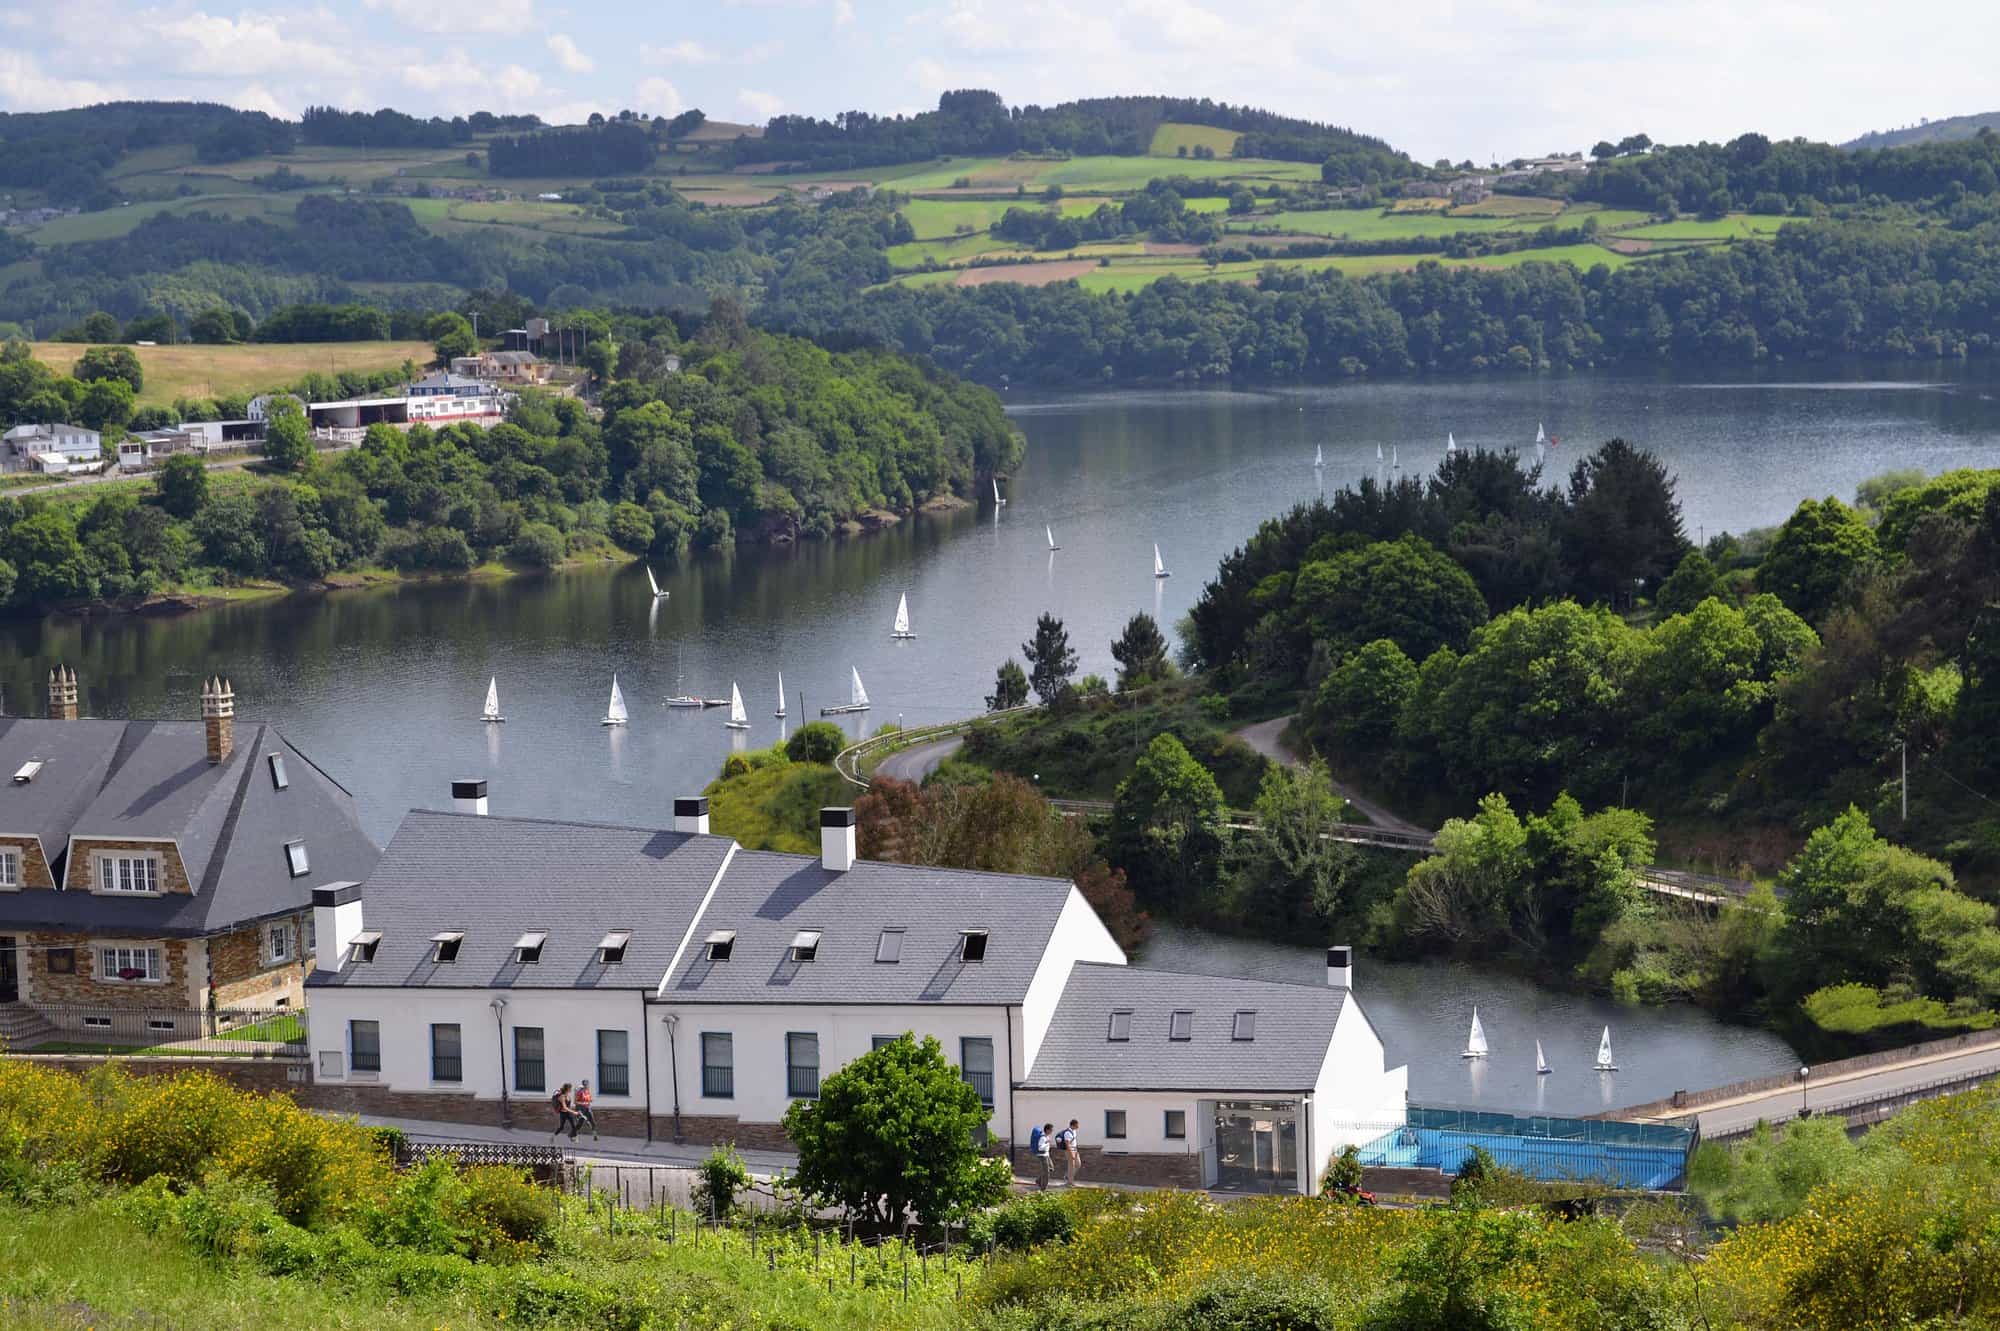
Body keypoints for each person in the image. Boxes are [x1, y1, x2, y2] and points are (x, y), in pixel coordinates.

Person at [1032, 1122, 1053, 1190]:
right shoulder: (1043, 1138)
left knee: (1051, 1168)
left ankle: (1038, 1180)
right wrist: (1047, 1143)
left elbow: (1047, 1147)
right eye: (1051, 1130)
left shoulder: (1047, 1136)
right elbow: (1040, 1148)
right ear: (1047, 1130)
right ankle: (1043, 1188)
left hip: (1046, 1155)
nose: (1052, 1131)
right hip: (1042, 1156)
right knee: (1046, 1172)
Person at [1060, 1119, 1082, 1186]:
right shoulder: (1068, 1133)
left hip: (1074, 1150)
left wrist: (1076, 1150)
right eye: (1077, 1124)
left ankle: (1067, 1176)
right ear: (1074, 1125)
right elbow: (1067, 1144)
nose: (1078, 1126)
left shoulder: (1074, 1131)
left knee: (1078, 1164)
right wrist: (1071, 1153)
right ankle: (1070, 1182)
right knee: (1071, 1166)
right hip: (1069, 1150)